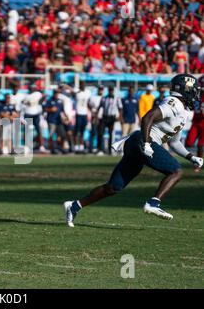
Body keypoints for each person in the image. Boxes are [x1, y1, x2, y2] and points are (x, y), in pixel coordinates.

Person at [63, 74, 203, 227]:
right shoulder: (174, 103)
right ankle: (153, 203)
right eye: (194, 90)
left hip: (138, 143)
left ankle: (74, 206)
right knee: (177, 171)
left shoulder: (182, 112)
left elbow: (174, 143)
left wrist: (191, 157)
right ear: (185, 89)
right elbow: (147, 118)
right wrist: (147, 143)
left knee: (113, 187)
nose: (196, 94)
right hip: (142, 141)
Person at [97, 86, 123, 155]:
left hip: (112, 118)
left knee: (111, 134)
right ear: (108, 90)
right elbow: (99, 107)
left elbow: (120, 108)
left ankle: (109, 150)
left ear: (113, 91)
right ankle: (100, 149)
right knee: (100, 133)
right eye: (110, 90)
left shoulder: (116, 98)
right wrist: (97, 116)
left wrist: (119, 117)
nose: (111, 91)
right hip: (104, 117)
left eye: (111, 90)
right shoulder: (104, 98)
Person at [22, 84, 46, 152]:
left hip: (36, 114)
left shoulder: (38, 94)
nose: (33, 89)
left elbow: (42, 100)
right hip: (28, 114)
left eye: (34, 88)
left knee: (39, 130)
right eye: (32, 88)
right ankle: (26, 146)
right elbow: (23, 104)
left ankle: (41, 146)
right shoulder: (26, 96)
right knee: (26, 131)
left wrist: (43, 98)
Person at [185, 77, 204, 161]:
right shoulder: (196, 96)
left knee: (200, 144)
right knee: (188, 143)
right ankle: (192, 159)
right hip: (195, 121)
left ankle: (198, 162)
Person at [74, 81, 91, 153]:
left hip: (84, 114)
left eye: (84, 84)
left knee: (82, 131)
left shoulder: (87, 92)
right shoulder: (77, 91)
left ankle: (81, 146)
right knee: (77, 131)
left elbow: (89, 102)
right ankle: (76, 146)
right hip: (78, 113)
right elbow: (72, 91)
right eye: (82, 84)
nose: (83, 86)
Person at [88, 85, 104, 153]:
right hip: (95, 117)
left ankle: (100, 148)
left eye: (101, 89)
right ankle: (90, 148)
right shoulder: (93, 97)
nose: (100, 90)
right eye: (99, 89)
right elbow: (88, 105)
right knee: (93, 133)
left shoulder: (104, 98)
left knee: (101, 133)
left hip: (102, 117)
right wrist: (92, 112)